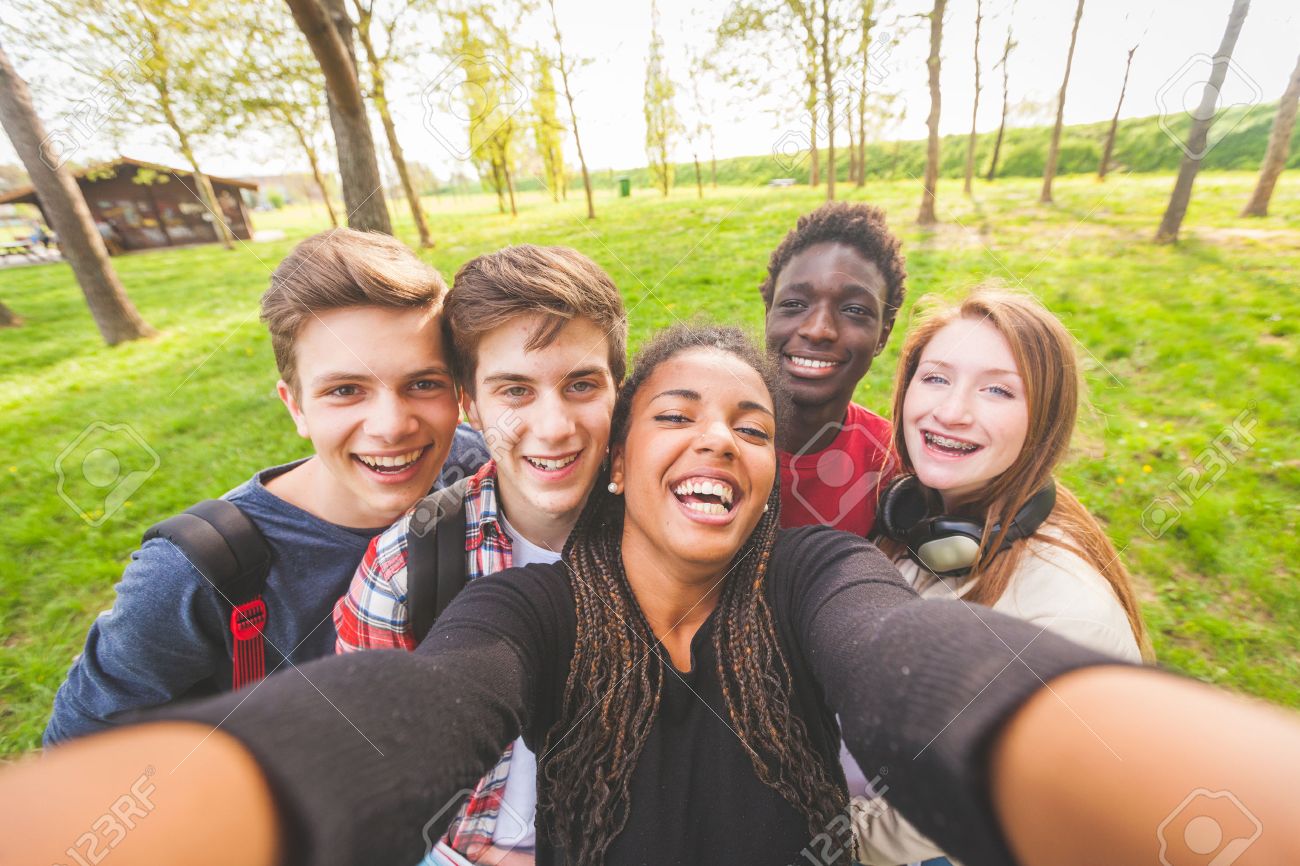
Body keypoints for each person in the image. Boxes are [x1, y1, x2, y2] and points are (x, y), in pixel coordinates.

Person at [9, 325, 1300, 866]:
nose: (716, 439)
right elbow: (407, 707)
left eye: (747, 423)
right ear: (620, 460)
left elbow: (931, 666)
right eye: (675, 412)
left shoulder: (812, 572)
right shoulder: (530, 609)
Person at [43, 228, 486, 746]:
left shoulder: (476, 465)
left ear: (458, 393)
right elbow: (78, 752)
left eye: (423, 383)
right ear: (295, 405)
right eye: (345, 390)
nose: (391, 425)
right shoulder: (194, 572)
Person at [333, 244, 626, 865]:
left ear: (617, 389)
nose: (554, 427)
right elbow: (363, 774)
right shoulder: (403, 568)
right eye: (515, 390)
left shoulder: (667, 540)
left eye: (581, 384)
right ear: (470, 404)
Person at [850, 290, 1154, 865]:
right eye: (936, 378)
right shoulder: (916, 523)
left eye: (997, 389)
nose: (952, 411)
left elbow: (925, 831)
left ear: (1043, 421)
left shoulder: (1066, 617)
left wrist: (796, 824)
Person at [760, 202, 907, 537]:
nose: (819, 329)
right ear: (768, 315)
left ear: (883, 334)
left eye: (854, 310)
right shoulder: (708, 436)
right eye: (794, 304)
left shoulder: (890, 463)